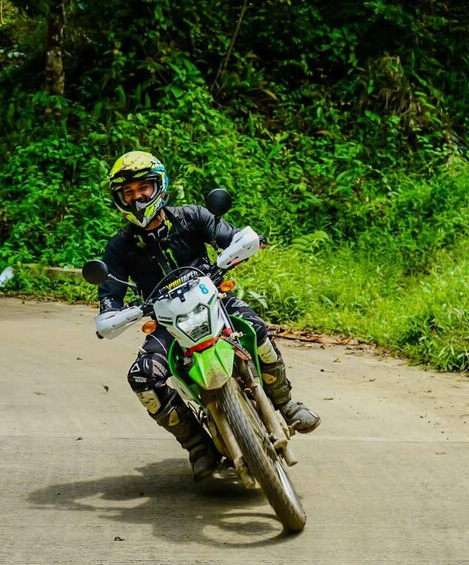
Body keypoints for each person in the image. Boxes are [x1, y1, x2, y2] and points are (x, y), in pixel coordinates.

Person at [97, 150, 320, 481]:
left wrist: (239, 247)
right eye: (127, 192)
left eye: (143, 187)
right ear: (119, 199)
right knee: (142, 377)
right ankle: (197, 446)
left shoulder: (192, 217)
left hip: (215, 301)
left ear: (159, 186)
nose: (137, 197)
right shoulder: (118, 247)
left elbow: (236, 237)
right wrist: (112, 313)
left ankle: (285, 403)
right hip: (167, 325)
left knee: (256, 329)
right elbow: (109, 298)